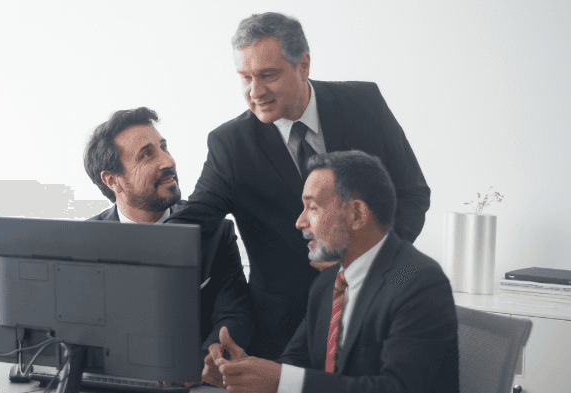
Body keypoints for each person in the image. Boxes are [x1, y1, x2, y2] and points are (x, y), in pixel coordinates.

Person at [168, 12, 431, 362]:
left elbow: (412, 193)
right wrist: (124, 240)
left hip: (374, 315)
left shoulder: (364, 104)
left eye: (268, 75)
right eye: (245, 78)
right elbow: (194, 222)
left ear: (303, 65)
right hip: (281, 334)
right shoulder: (230, 145)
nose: (255, 92)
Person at [203, 150, 462, 393]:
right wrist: (243, 372)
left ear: (357, 214)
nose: (300, 221)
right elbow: (294, 365)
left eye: (312, 207)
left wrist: (279, 378)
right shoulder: (328, 283)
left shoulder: (417, 281)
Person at [83, 107, 254, 365]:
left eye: (164, 147)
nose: (168, 161)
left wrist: (202, 362)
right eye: (147, 155)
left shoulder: (215, 231)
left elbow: (234, 313)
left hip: (194, 383)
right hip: (112, 380)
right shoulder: (84, 243)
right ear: (112, 180)